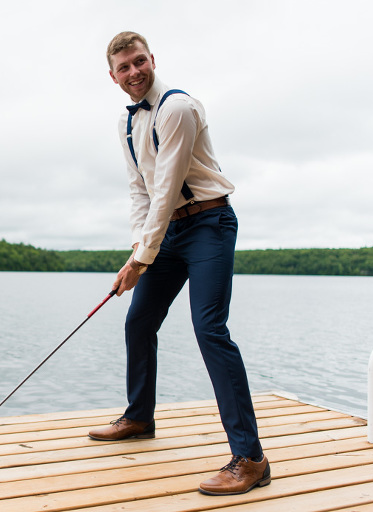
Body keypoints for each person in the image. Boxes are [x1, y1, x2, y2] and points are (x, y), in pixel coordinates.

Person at [87, 31, 270, 496]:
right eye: (124, 67)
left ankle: (251, 459)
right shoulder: (127, 123)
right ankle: (139, 418)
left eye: (139, 61)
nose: (134, 72)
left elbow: (167, 189)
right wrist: (139, 248)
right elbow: (140, 190)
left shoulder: (178, 108)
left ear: (152, 59)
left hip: (209, 224)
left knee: (210, 329)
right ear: (112, 76)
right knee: (138, 322)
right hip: (167, 232)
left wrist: (139, 261)